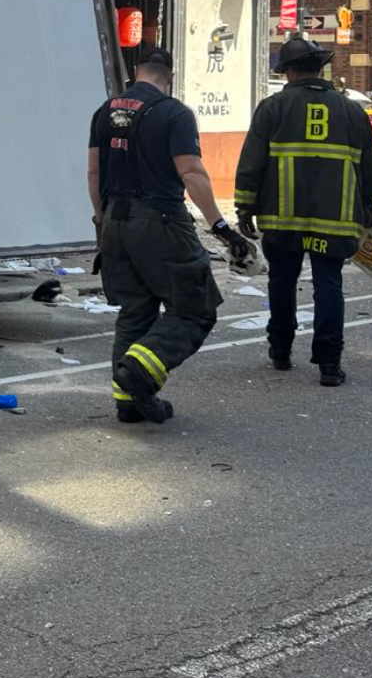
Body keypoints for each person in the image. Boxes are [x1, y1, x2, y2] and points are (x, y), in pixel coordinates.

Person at [87, 45, 256, 425]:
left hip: (115, 221)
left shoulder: (105, 111)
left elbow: (93, 174)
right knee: (195, 308)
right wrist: (221, 228)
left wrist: (102, 222)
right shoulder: (173, 113)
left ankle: (127, 402)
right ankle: (140, 375)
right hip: (160, 221)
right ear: (170, 75)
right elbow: (192, 173)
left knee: (135, 310)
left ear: (136, 70)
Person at [234, 36, 372, 387]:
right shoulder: (352, 111)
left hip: (282, 220)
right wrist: (370, 207)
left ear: (287, 71)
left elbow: (251, 164)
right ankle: (329, 364)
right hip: (335, 220)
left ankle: (281, 351)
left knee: (282, 283)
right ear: (321, 68)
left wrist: (245, 207)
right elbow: (368, 169)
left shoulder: (272, 107)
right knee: (328, 285)